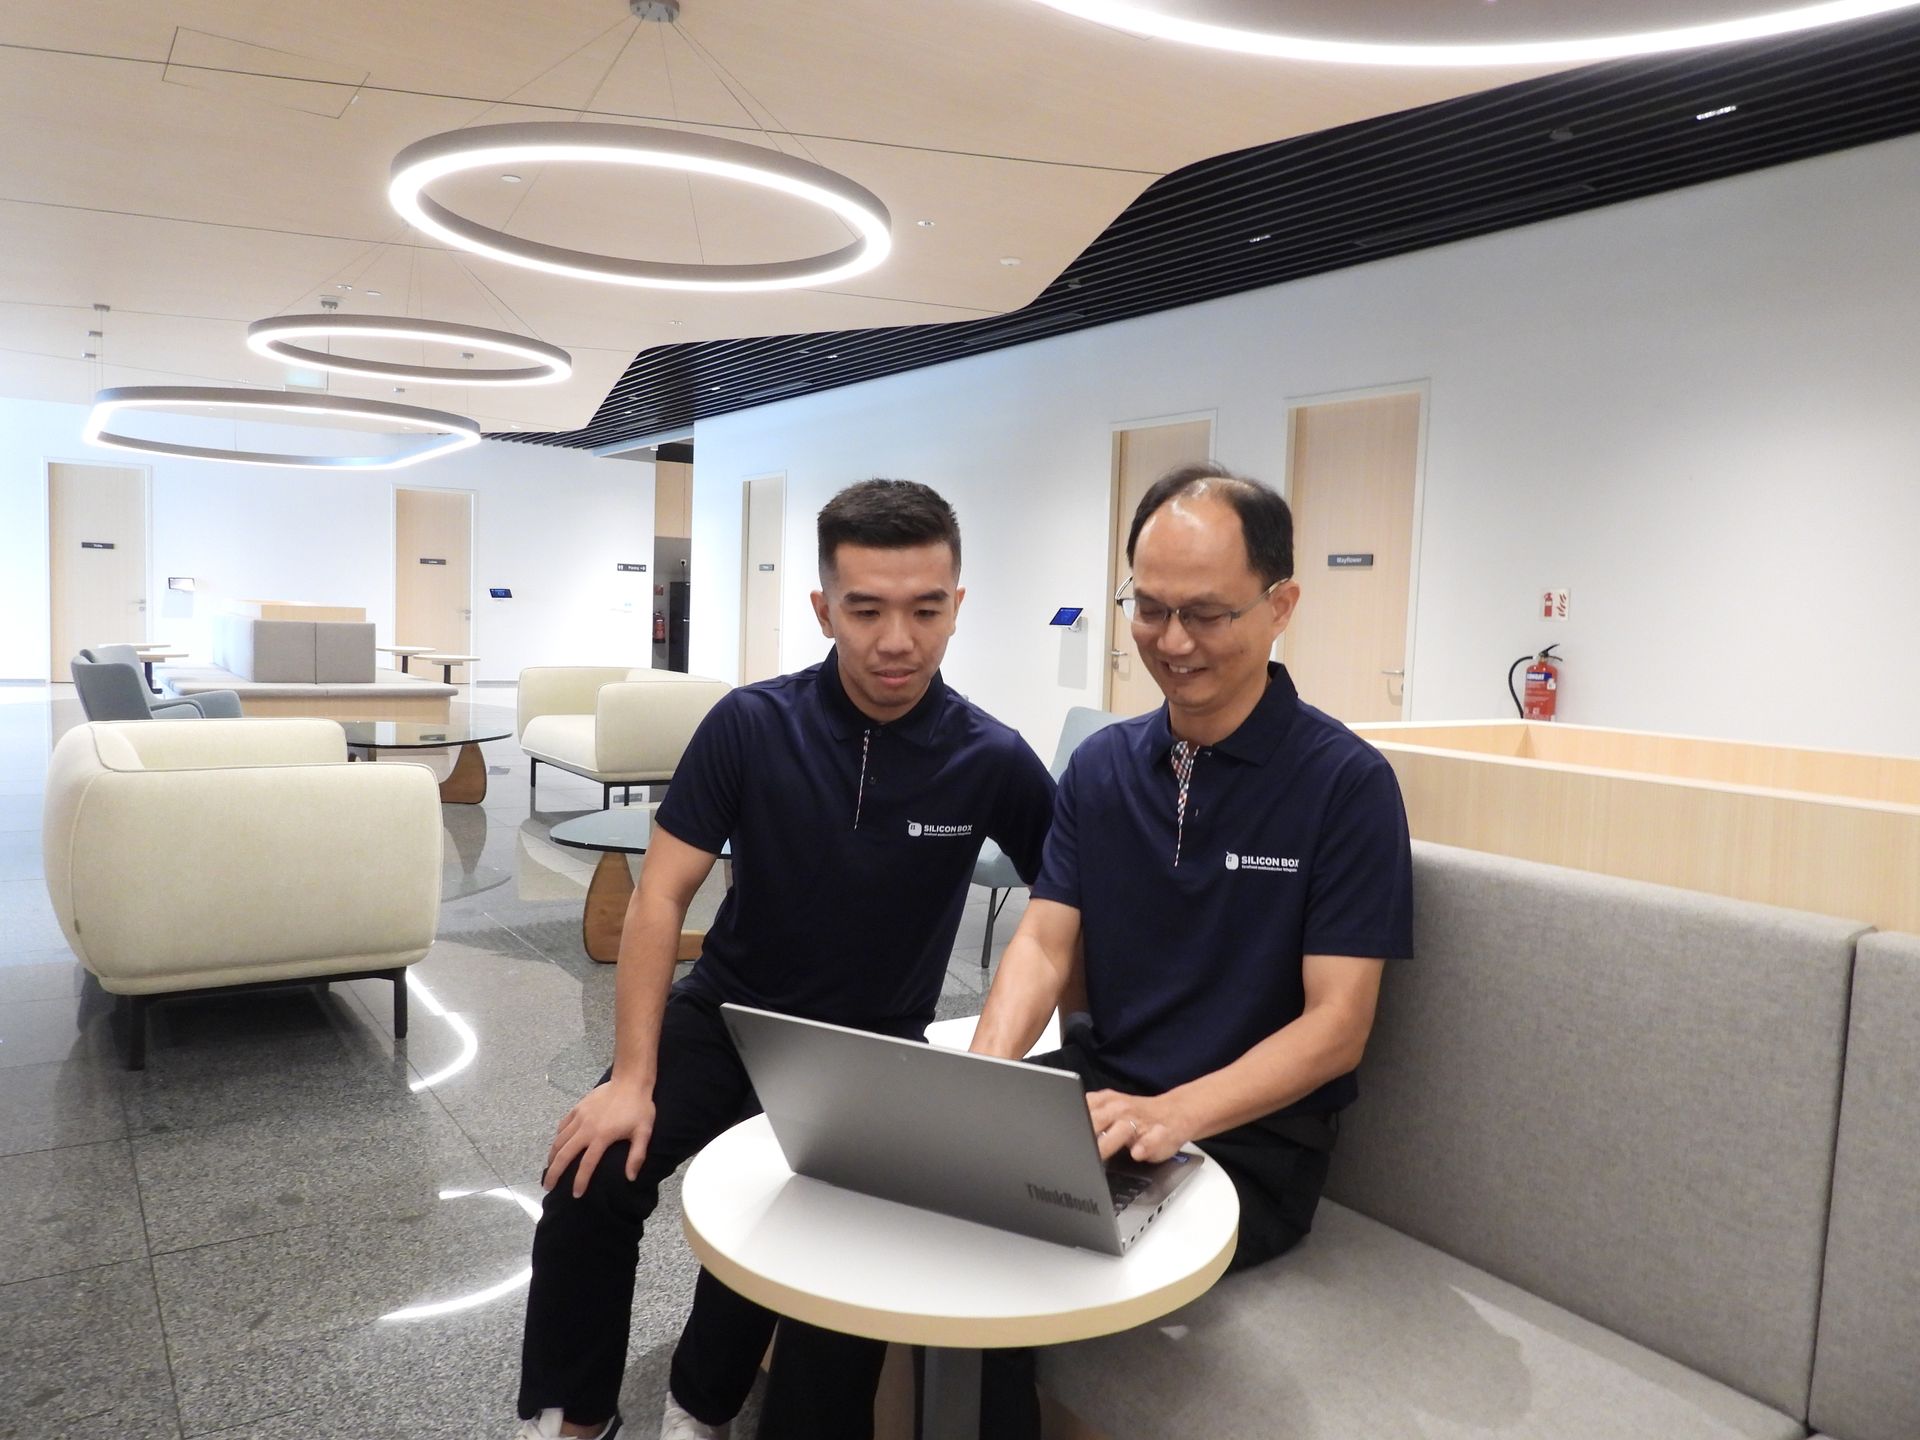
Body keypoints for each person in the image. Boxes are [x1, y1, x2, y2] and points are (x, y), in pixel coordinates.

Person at [513, 479, 1057, 1440]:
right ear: (824, 609)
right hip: (729, 1016)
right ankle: (578, 1415)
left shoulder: (992, 757)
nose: (898, 639)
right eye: (867, 609)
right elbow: (661, 898)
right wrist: (632, 1077)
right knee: (590, 1177)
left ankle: (703, 1402)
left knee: (831, 1262)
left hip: (873, 1055)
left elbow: (1068, 902)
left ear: (958, 606)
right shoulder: (752, 725)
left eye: (927, 610)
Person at [971, 461, 1414, 1436]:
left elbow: (1338, 1026)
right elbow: (1044, 942)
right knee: (928, 1203)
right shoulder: (1099, 766)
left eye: (1208, 614)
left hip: (1247, 1143)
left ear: (1281, 603)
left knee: (1005, 1259)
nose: (1173, 643)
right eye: (1151, 608)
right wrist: (984, 1081)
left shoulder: (1345, 786)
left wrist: (1175, 1113)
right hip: (1097, 1098)